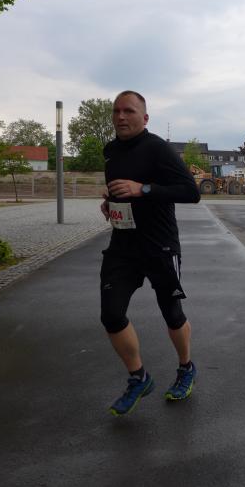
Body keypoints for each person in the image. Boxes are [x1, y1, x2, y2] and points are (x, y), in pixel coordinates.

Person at [99, 90, 201, 416]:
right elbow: (120, 190)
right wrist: (111, 203)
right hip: (122, 245)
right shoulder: (110, 151)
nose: (121, 116)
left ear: (144, 118)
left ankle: (186, 368)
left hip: (159, 245)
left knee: (171, 313)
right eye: (116, 111)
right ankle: (138, 378)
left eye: (129, 111)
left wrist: (142, 189)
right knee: (111, 314)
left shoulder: (158, 148)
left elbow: (191, 192)